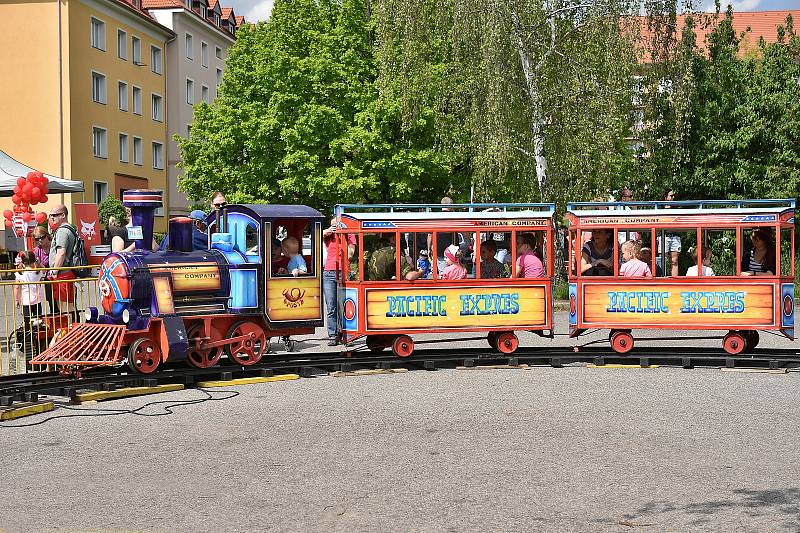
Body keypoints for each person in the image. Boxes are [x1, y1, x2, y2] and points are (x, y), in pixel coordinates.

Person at [322, 218, 356, 346]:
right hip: (329, 272)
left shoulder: (349, 235)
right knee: (331, 306)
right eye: (333, 225)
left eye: (337, 225)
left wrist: (345, 239)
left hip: (343, 272)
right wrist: (329, 230)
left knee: (345, 305)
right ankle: (333, 335)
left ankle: (347, 334)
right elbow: (319, 234)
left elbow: (351, 253)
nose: (336, 227)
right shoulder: (329, 237)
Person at [47, 204, 77, 315]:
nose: (52, 218)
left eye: (54, 215)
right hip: (65, 273)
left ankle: (70, 329)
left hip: (62, 274)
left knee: (65, 307)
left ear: (63, 215)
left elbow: (61, 252)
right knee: (67, 306)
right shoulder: (69, 229)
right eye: (50, 215)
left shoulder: (62, 231)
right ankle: (71, 328)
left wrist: (54, 271)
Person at [31, 226, 54, 312]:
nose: (40, 240)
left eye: (42, 237)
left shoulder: (54, 246)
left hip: (58, 277)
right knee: (51, 301)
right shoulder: (36, 250)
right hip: (46, 279)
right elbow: (40, 269)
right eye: (37, 239)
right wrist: (37, 264)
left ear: (47, 235)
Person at [660, 189, 680, 276]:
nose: (673, 198)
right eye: (671, 196)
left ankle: (675, 281)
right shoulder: (659, 208)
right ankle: (661, 279)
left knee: (674, 261)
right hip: (663, 236)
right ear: (665, 197)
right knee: (663, 260)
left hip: (675, 236)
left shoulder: (676, 209)